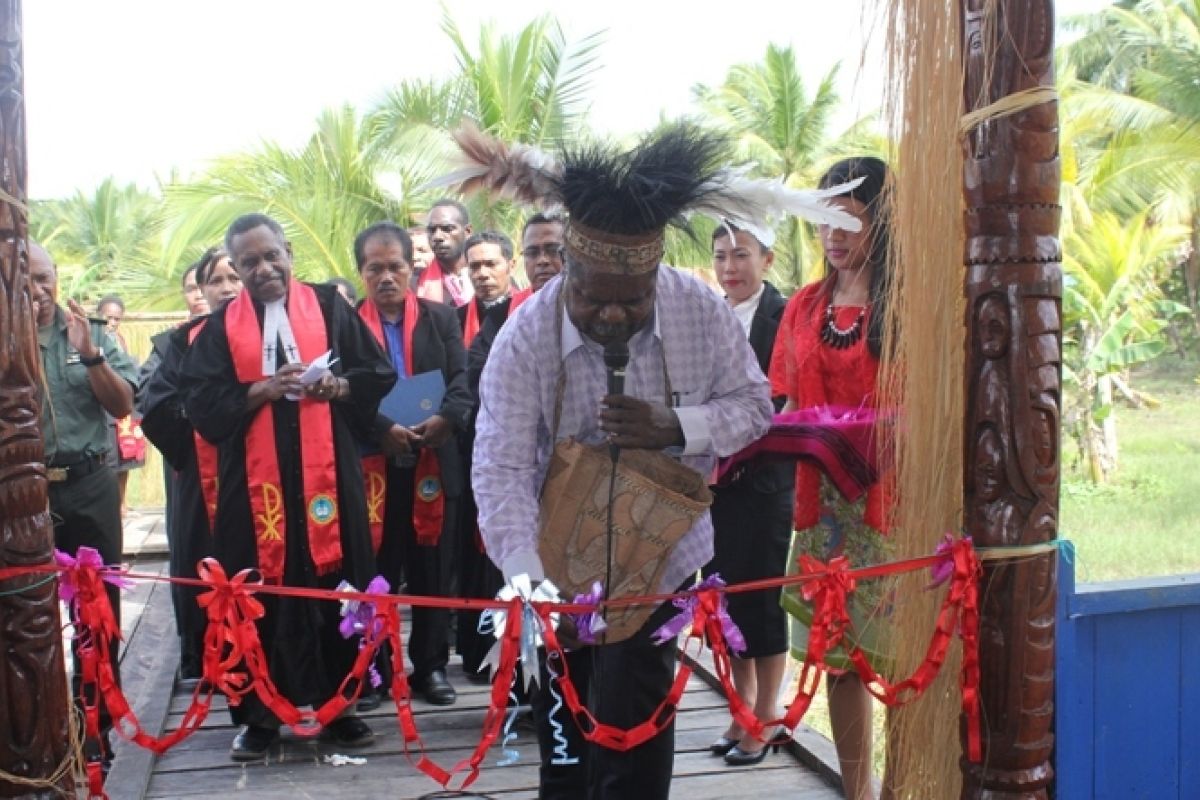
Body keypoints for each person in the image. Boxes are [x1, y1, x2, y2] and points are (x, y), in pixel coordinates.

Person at [468, 125, 774, 799]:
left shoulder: (697, 308)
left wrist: (677, 425)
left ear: (653, 278)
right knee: (568, 737)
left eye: (632, 301)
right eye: (592, 298)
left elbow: (755, 406)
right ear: (567, 272)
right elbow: (502, 465)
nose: (611, 313)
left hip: (661, 560)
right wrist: (527, 579)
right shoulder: (525, 335)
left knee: (638, 721)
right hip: (554, 567)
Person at [180, 213, 396, 761]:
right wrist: (260, 390)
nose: (263, 268)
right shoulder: (222, 326)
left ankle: (341, 706)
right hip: (253, 493)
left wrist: (337, 384)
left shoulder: (328, 306)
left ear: (289, 252)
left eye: (271, 255)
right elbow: (202, 406)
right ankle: (258, 717)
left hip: (329, 479)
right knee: (253, 593)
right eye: (248, 262)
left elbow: (377, 375)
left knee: (339, 583)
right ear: (237, 268)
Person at [769, 157, 895, 800]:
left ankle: (910, 783)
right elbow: (787, 408)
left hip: (894, 507)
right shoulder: (803, 307)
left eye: (849, 218)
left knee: (904, 664)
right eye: (824, 222)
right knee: (843, 666)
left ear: (882, 220)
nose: (834, 235)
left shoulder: (908, 308)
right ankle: (859, 793)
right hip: (823, 514)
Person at [353, 221, 472, 708]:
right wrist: (381, 427)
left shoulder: (441, 319)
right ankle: (376, 671)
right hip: (373, 464)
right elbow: (345, 392)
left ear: (411, 267)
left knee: (432, 570)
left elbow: (463, 377)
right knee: (377, 571)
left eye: (395, 266)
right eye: (374, 268)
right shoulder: (348, 324)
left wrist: (448, 418)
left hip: (431, 457)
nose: (386, 277)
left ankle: (431, 668)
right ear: (360, 272)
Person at [30, 242, 138, 773]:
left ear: (56, 276)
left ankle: (92, 723)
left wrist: (90, 353)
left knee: (96, 611)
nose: (37, 288)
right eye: (23, 278)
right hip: (25, 496)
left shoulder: (90, 331)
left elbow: (122, 405)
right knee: (27, 613)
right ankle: (39, 722)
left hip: (90, 484)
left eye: (43, 276)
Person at [701, 221, 795, 766]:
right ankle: (740, 710)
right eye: (720, 257)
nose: (730, 267)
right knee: (726, 598)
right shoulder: (709, 314)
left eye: (741, 255)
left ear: (768, 258)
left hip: (763, 478)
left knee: (762, 597)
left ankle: (768, 713)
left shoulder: (782, 317)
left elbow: (783, 395)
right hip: (713, 481)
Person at [456, 214, 565, 679]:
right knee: (523, 578)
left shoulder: (602, 311)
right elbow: (480, 377)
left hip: (581, 475)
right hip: (523, 471)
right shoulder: (504, 316)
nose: (545, 261)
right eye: (535, 252)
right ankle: (524, 689)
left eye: (554, 250)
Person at [138, 247, 241, 682]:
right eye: (215, 280)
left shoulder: (274, 334)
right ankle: (208, 660)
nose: (227, 288)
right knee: (205, 560)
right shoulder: (177, 344)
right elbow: (155, 406)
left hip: (267, 477)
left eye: (234, 277)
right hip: (204, 475)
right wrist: (212, 419)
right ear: (200, 290)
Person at [96, 294, 145, 514]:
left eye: (117, 319)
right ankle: (110, 505)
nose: (113, 323)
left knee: (126, 461)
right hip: (104, 413)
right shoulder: (92, 342)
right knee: (109, 462)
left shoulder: (122, 342)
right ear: (99, 317)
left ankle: (122, 503)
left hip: (126, 413)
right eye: (108, 318)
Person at [417, 199, 473, 306]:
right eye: (432, 230)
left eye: (447, 229)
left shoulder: (492, 276)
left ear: (467, 231)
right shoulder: (415, 283)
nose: (437, 236)